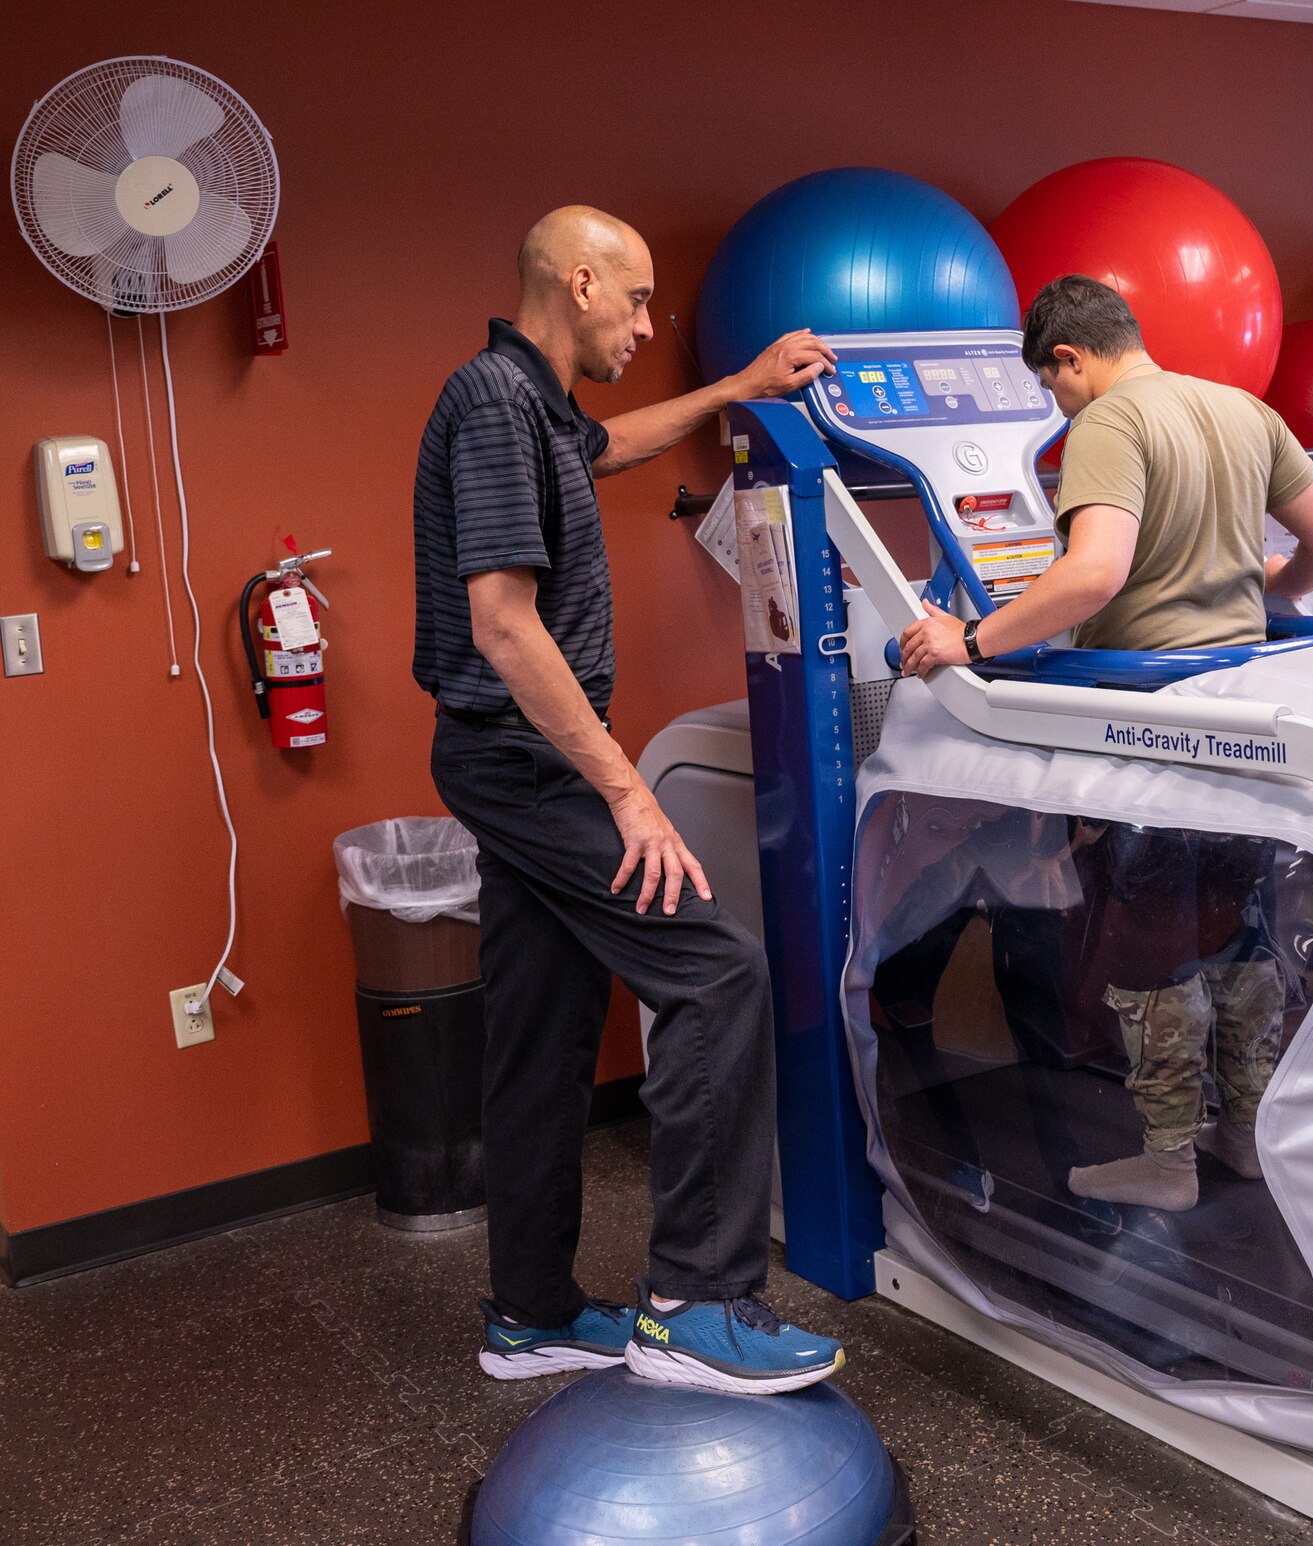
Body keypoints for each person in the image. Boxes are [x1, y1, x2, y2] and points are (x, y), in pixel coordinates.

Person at [415, 205, 844, 1392]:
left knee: (541, 1036)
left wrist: (736, 386)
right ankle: (691, 1307)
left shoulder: (532, 405)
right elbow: (503, 624)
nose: (649, 325)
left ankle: (531, 1315)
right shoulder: (498, 405)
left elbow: (610, 447)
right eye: (641, 301)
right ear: (583, 280)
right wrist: (627, 793)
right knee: (716, 974)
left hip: (505, 758)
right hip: (529, 758)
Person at [896, 274, 1313, 1212]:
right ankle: (1242, 1133)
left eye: (1052, 387)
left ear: (1071, 357)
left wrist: (969, 641)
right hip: (1242, 715)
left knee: (1151, 950)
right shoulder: (1240, 408)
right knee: (1239, 935)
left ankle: (1166, 1161)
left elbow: (1094, 574)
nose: (1057, 407)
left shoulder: (1110, 422)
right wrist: (1265, 596)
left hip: (1152, 728)